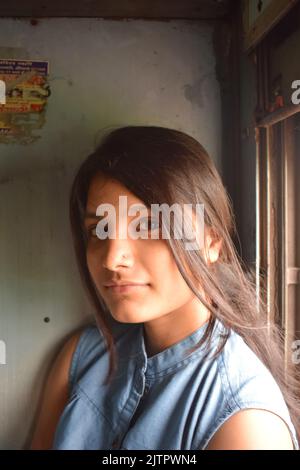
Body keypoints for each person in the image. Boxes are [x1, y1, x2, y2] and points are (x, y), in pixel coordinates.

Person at [30, 125, 300, 450]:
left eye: (148, 225)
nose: (113, 258)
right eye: (99, 229)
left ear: (212, 242)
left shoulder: (247, 424)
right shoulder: (84, 355)